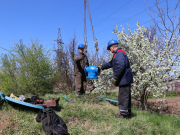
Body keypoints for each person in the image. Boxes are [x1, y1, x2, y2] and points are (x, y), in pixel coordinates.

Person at [98, 40, 133, 119]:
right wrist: (101, 67)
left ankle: (124, 115)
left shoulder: (119, 53)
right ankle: (127, 113)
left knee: (123, 96)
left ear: (112, 46)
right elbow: (111, 63)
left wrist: (115, 77)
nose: (110, 50)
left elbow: (121, 66)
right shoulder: (117, 54)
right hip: (125, 78)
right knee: (126, 96)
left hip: (124, 78)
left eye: (110, 48)